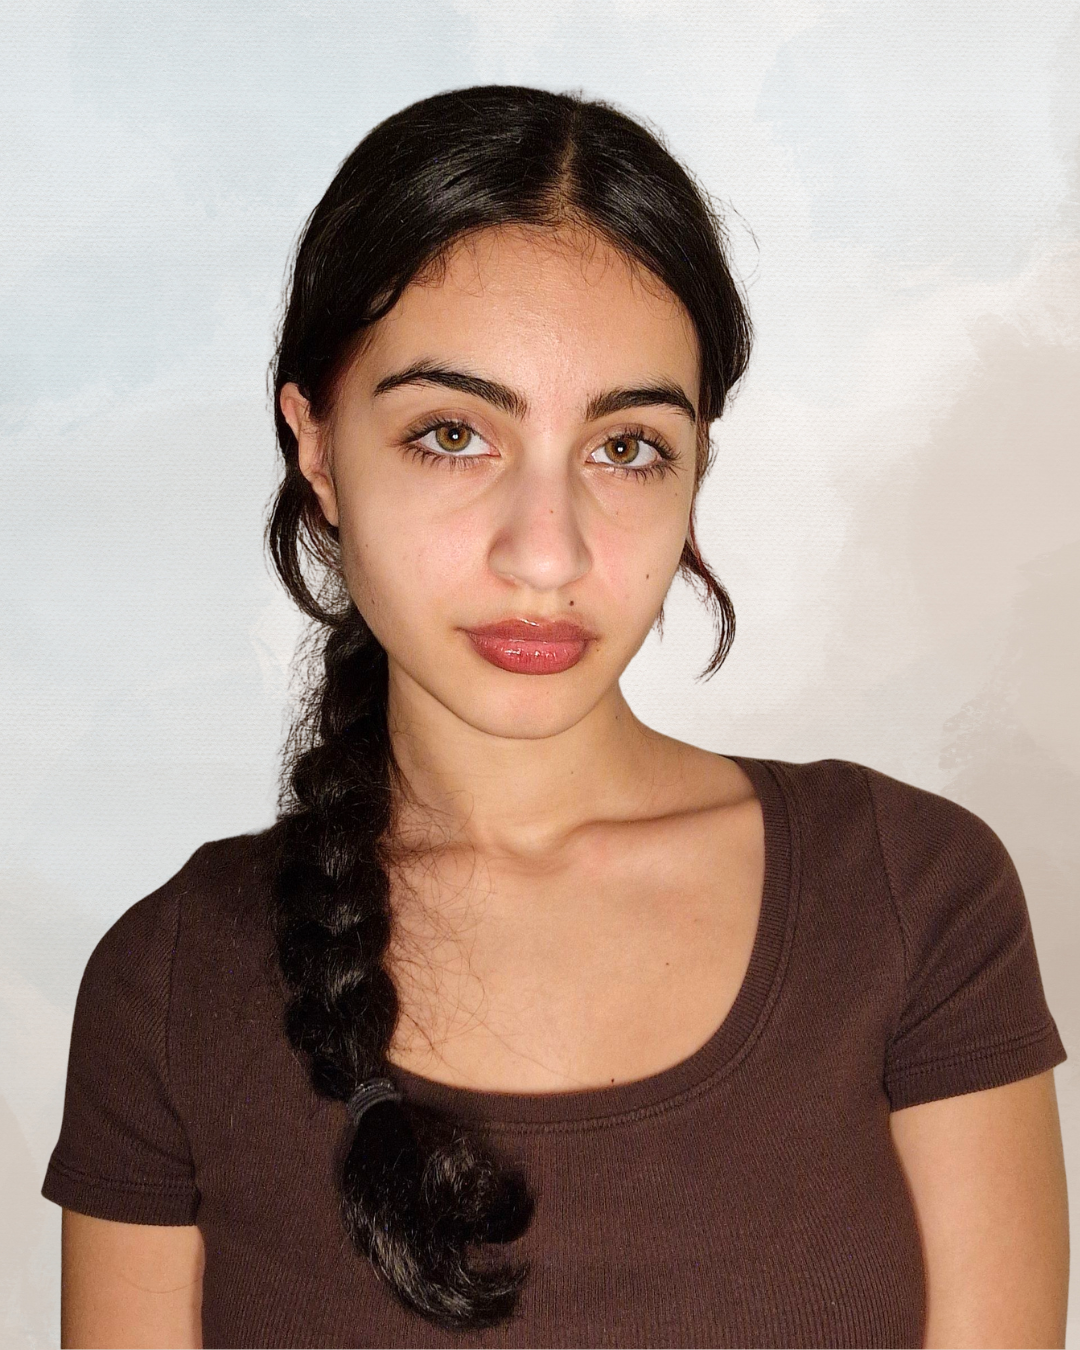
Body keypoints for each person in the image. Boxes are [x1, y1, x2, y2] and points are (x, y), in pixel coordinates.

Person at [42, 85, 1069, 1349]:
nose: (547, 552)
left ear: (698, 465)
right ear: (314, 449)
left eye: (627, 447)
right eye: (452, 434)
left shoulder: (916, 898)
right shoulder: (167, 986)